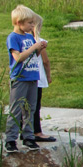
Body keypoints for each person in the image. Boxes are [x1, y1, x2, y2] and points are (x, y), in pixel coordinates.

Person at [6, 5, 47, 152]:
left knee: (30, 108)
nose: (32, 26)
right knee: (16, 108)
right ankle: (10, 139)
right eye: (29, 23)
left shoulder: (29, 37)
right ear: (19, 22)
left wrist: (39, 49)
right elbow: (18, 58)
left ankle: (29, 137)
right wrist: (33, 47)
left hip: (32, 77)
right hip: (20, 78)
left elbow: (32, 56)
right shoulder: (13, 38)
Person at [27, 11, 56, 143]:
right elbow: (45, 61)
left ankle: (26, 130)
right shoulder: (39, 42)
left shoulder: (24, 41)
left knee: (26, 105)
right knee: (36, 104)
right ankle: (37, 131)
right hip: (37, 77)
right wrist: (48, 76)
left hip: (26, 76)